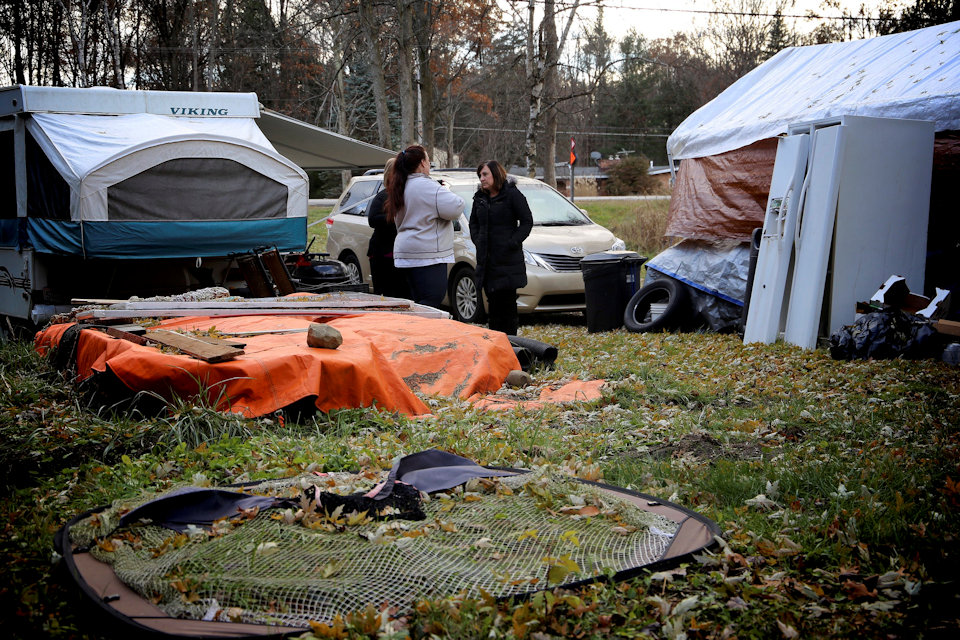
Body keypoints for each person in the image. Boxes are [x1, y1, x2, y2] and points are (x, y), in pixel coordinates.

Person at [385, 144, 465, 308]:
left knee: (414, 304)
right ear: (422, 163)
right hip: (427, 256)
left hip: (405, 254)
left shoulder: (401, 185)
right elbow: (456, 207)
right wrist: (443, 189)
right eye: (428, 160)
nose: (429, 164)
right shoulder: (427, 186)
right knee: (430, 303)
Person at [469, 160, 533, 335]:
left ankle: (511, 346)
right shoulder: (480, 198)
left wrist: (512, 242)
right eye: (480, 175)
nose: (482, 178)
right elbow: (473, 222)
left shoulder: (512, 194)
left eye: (485, 174)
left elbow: (527, 221)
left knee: (507, 307)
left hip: (507, 260)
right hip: (487, 261)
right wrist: (478, 240)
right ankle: (496, 345)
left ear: (496, 174)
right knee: (493, 307)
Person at [366, 159, 411, 299]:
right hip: (382, 254)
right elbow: (372, 219)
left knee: (403, 294)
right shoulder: (382, 196)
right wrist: (393, 217)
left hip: (402, 254)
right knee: (386, 295)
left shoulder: (408, 195)